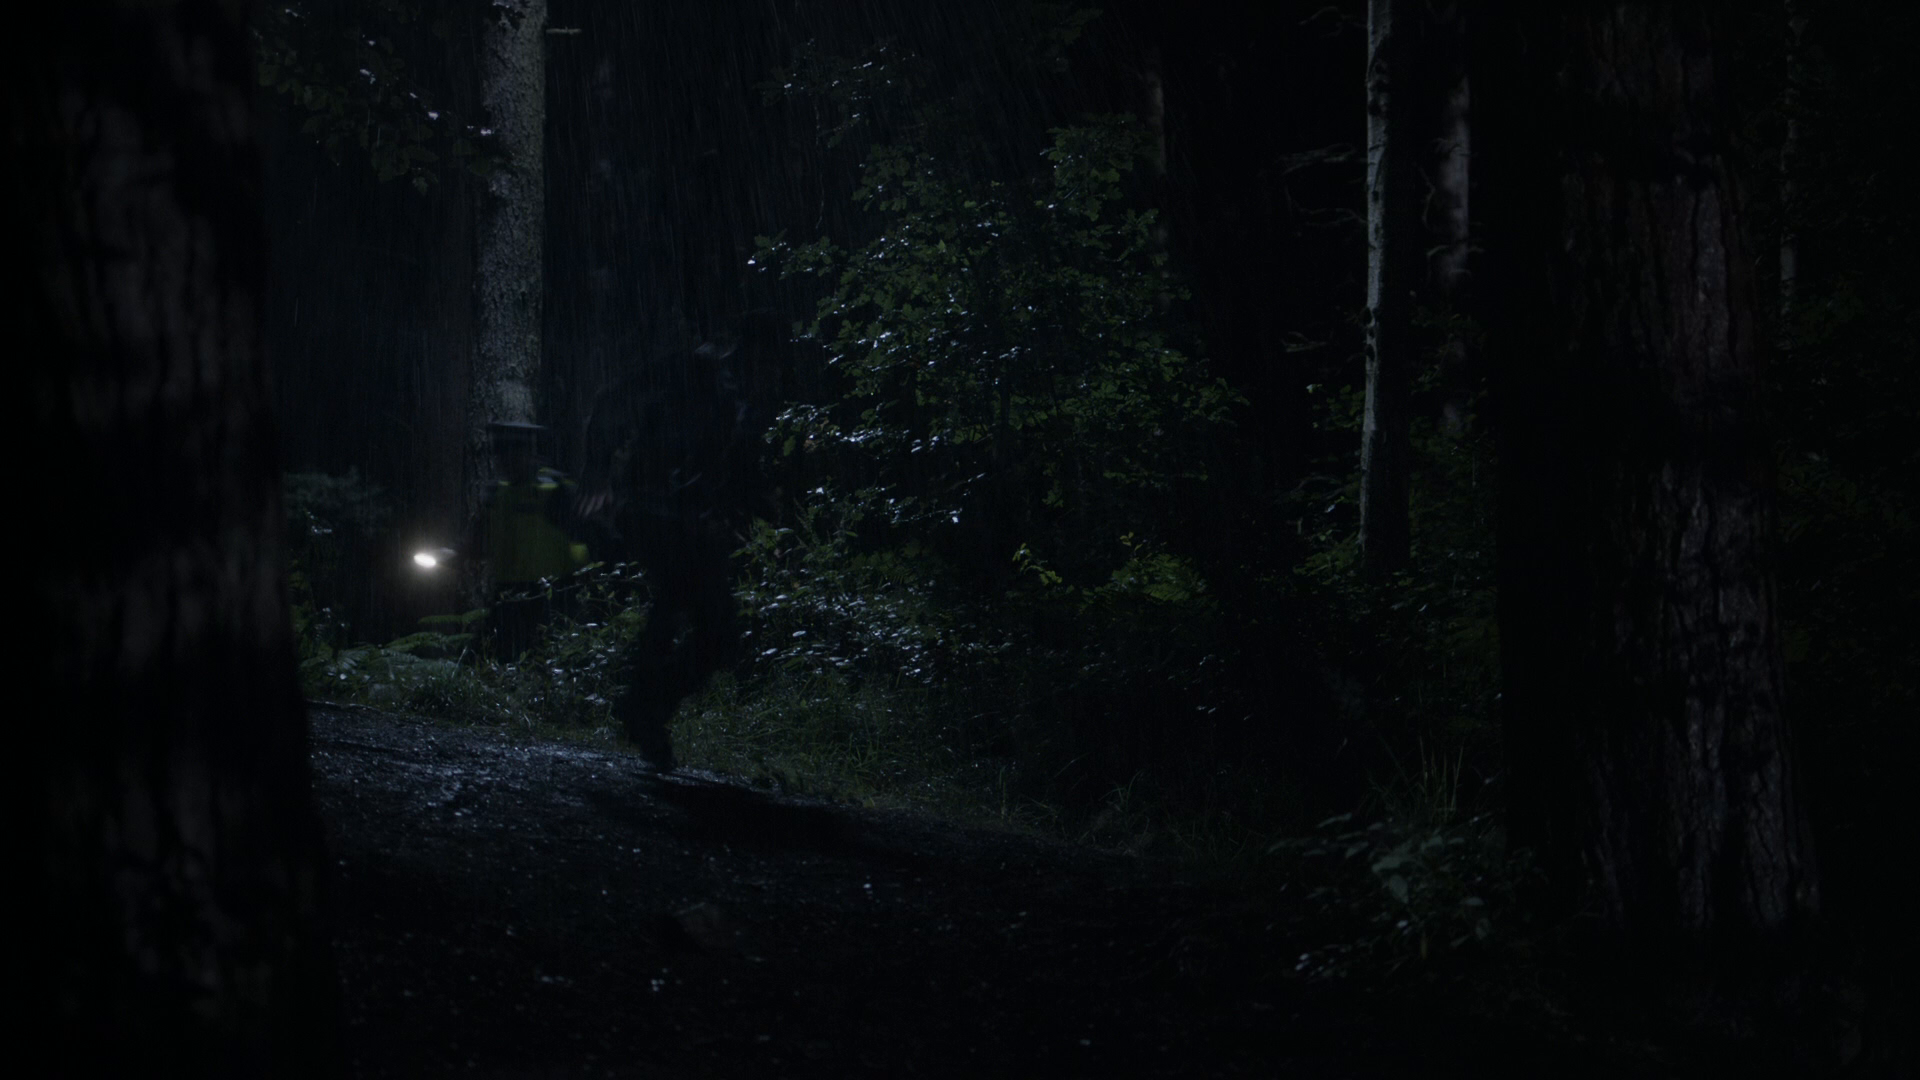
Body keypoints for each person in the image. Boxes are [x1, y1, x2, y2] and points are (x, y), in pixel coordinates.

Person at [577, 325, 776, 768]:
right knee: (691, 608)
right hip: (653, 510)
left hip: (680, 516)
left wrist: (747, 510)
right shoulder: (696, 370)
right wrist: (597, 468)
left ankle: (645, 706)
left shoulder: (739, 396)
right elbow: (613, 400)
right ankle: (645, 707)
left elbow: (734, 468)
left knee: (712, 626)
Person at [476, 421, 591, 661]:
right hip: (508, 596)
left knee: (552, 658)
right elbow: (479, 536)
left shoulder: (556, 491)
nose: (505, 462)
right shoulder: (496, 494)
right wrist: (454, 555)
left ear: (529, 455)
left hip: (553, 594)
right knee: (498, 658)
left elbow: (589, 536)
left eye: (513, 455)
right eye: (500, 456)